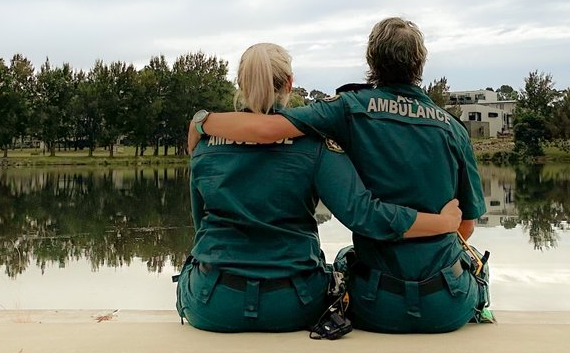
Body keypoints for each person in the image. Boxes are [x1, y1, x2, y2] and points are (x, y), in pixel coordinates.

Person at [190, 18, 490, 333]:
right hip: (441, 302)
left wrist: (202, 122)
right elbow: (464, 227)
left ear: (371, 60)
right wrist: (442, 223)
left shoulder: (346, 109)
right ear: (420, 63)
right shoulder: (453, 128)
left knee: (348, 258)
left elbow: (266, 132)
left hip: (370, 303)